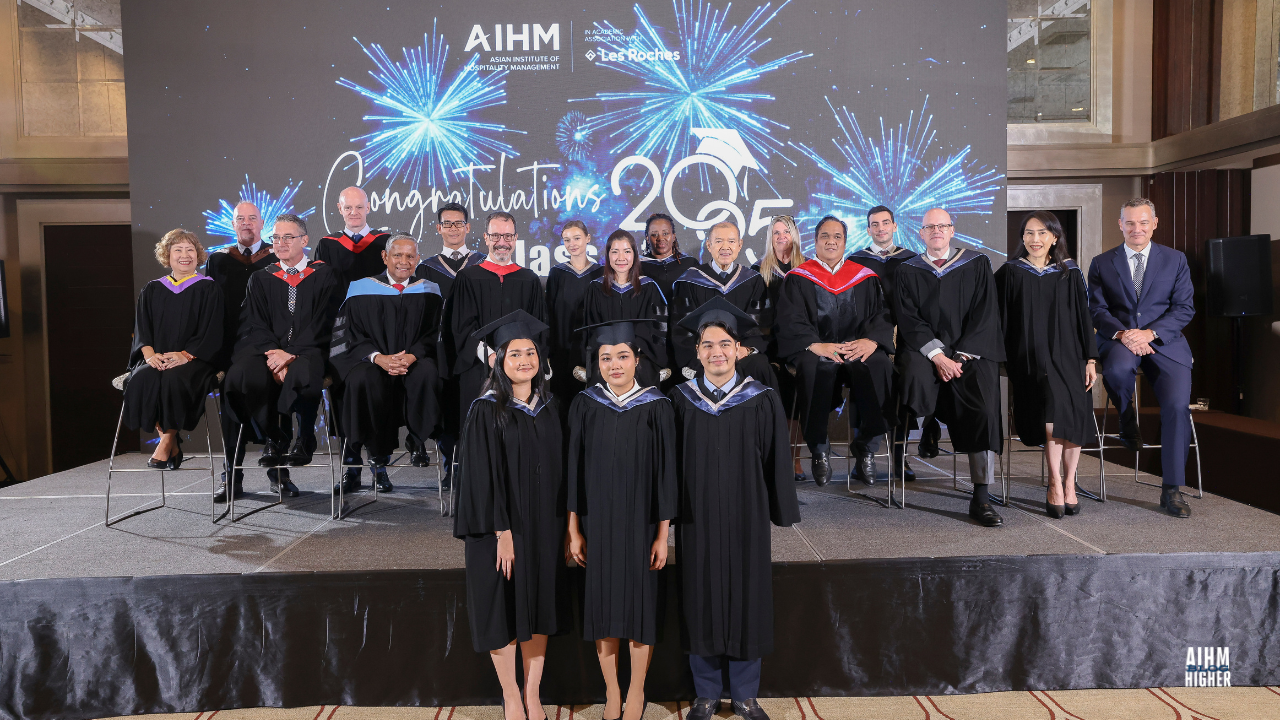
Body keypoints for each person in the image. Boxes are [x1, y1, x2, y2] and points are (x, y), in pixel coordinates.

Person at [670, 298, 800, 720]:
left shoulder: (759, 398)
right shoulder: (681, 400)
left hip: (747, 513)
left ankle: (745, 695)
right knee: (700, 595)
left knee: (748, 597)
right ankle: (706, 694)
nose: (716, 352)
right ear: (698, 351)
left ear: (739, 349)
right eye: (708, 345)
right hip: (697, 515)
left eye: (724, 344)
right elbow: (668, 461)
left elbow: (776, 459)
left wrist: (779, 508)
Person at [452, 310, 566, 720]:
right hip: (499, 530)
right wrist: (503, 532)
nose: (523, 360)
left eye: (530, 352)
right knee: (502, 611)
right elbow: (482, 478)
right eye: (514, 353)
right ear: (497, 360)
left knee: (537, 608)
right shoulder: (485, 409)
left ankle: (532, 693)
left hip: (543, 526)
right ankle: (511, 695)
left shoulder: (551, 405)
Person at [566, 320, 676, 720]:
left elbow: (666, 474)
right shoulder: (584, 403)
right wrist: (574, 529)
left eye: (622, 357)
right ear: (597, 363)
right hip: (597, 523)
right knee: (603, 610)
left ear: (637, 361)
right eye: (606, 358)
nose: (614, 365)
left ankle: (636, 691)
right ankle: (612, 692)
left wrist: (663, 535)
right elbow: (573, 470)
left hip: (642, 525)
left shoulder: (657, 405)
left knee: (640, 609)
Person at [895, 209, 1006, 527]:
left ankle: (981, 496)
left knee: (984, 407)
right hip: (927, 352)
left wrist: (958, 358)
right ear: (920, 233)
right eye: (930, 227)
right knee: (915, 377)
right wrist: (937, 356)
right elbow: (909, 319)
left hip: (968, 354)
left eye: (942, 225)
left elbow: (985, 314)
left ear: (952, 230)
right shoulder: (908, 270)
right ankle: (927, 422)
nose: (936, 231)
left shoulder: (976, 263)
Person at [1088, 198, 1196, 518]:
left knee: (1177, 406)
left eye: (1143, 222)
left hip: (1166, 342)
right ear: (1120, 225)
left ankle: (1172, 489)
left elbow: (1184, 308)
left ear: (1155, 223)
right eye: (1130, 223)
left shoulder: (1175, 260)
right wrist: (1124, 335)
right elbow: (1096, 309)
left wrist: (1149, 334)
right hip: (1120, 339)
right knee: (1119, 371)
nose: (1137, 229)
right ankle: (1126, 416)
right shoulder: (1101, 262)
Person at [219, 214, 339, 501]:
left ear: (304, 240)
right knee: (238, 378)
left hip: (309, 351)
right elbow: (253, 322)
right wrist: (273, 354)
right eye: (276, 238)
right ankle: (272, 438)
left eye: (288, 237)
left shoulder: (325, 274)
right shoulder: (261, 278)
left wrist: (291, 353)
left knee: (302, 373)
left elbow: (325, 321)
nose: (281, 243)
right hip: (267, 351)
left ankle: (304, 439)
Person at [775, 216, 896, 487]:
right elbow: (789, 319)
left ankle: (866, 446)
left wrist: (872, 341)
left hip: (857, 345)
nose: (831, 241)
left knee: (878, 365)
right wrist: (814, 344)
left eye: (837, 236)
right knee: (813, 365)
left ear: (845, 241)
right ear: (815, 241)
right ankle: (819, 450)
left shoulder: (863, 276)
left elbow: (880, 315)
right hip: (818, 347)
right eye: (825, 236)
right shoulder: (798, 277)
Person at [997, 211, 1099, 518]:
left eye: (1042, 233)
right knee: (1052, 415)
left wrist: (1091, 358)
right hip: (1031, 357)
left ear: (1054, 237)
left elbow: (1084, 318)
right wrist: (1003, 359)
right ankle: (1054, 481)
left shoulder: (1069, 272)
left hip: (1070, 356)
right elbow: (1000, 320)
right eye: (1028, 233)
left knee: (1074, 416)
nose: (1035, 239)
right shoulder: (1010, 272)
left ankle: (1070, 482)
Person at [329, 233, 442, 494]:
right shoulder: (360, 288)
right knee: (363, 379)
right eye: (397, 255)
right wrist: (378, 358)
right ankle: (375, 462)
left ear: (418, 259)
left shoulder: (429, 290)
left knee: (428, 372)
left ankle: (418, 441)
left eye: (410, 256)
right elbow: (348, 334)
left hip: (413, 360)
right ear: (385, 257)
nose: (404, 261)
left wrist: (413, 355)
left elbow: (435, 334)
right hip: (372, 361)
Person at [442, 212, 548, 450]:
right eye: (497, 235)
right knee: (477, 429)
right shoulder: (468, 278)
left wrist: (518, 360)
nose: (502, 242)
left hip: (520, 369)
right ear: (486, 238)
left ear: (516, 238)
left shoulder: (528, 279)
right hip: (479, 366)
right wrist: (491, 357)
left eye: (508, 235)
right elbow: (460, 327)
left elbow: (537, 329)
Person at [121, 229, 223, 471]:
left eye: (190, 250)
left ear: (198, 255)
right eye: (178, 250)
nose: (184, 255)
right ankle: (172, 442)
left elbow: (213, 330)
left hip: (195, 359)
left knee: (174, 380)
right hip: (157, 357)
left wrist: (185, 355)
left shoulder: (209, 289)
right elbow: (141, 328)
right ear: (168, 255)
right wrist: (149, 355)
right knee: (142, 378)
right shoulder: (153, 289)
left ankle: (166, 441)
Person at [205, 201, 279, 492]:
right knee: (231, 408)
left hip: (270, 345)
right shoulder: (218, 260)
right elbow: (212, 307)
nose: (246, 223)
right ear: (233, 225)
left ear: (262, 223)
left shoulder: (277, 257)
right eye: (240, 219)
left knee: (277, 401)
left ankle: (279, 473)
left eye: (252, 218)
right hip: (230, 347)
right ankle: (231, 476)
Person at [847, 206, 920, 482]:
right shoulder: (854, 261)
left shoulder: (912, 260)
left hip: (905, 336)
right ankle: (863, 455)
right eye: (874, 225)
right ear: (868, 230)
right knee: (867, 376)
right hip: (868, 336)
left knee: (906, 383)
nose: (880, 229)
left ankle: (900, 456)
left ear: (895, 226)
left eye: (885, 223)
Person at [414, 201, 485, 479]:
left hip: (474, 348)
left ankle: (475, 463)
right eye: (447, 223)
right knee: (445, 405)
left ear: (467, 227)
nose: (453, 229)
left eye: (458, 223)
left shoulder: (483, 263)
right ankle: (450, 464)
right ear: (438, 228)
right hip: (440, 349)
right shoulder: (426, 269)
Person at [670, 221, 779, 394]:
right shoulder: (689, 281)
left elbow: (761, 324)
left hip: (741, 354)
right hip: (704, 356)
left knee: (759, 365)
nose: (725, 247)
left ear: (740, 245)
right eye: (719, 241)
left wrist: (746, 349)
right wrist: (699, 356)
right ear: (709, 245)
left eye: (731, 241)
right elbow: (681, 328)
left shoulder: (752, 280)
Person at [752, 215, 808, 482]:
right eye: (776, 232)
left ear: (795, 235)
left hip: (800, 344)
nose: (781, 236)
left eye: (786, 231)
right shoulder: (758, 270)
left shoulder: (809, 268)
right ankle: (770, 457)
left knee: (796, 393)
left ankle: (794, 458)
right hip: (769, 345)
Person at [582, 230, 669, 388]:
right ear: (608, 255)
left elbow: (659, 329)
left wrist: (633, 351)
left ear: (635, 255)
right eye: (615, 252)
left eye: (627, 251)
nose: (621, 258)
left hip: (640, 358)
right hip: (606, 358)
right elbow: (590, 327)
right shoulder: (595, 288)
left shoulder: (649, 287)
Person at [545, 220, 603, 426]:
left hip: (594, 353)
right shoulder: (557, 274)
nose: (572, 244)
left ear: (588, 238)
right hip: (563, 352)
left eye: (577, 238)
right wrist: (548, 353)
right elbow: (549, 315)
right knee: (563, 408)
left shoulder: (601, 273)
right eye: (567, 240)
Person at [314, 186, 393, 296]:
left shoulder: (387, 242)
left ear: (368, 207)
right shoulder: (327, 244)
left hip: (378, 309)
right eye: (348, 208)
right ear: (340, 208)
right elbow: (320, 286)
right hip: (339, 311)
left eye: (359, 207)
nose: (354, 212)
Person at [638, 212, 698, 302]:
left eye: (665, 233)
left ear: (673, 236)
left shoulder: (690, 264)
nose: (661, 238)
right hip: (650, 315)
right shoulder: (638, 266)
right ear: (647, 238)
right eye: (654, 234)